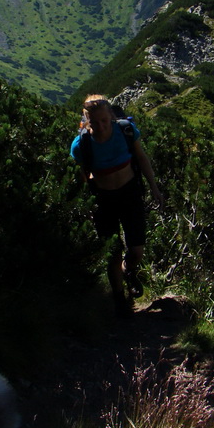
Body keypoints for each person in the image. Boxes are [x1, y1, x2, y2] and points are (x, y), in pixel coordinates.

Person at [70, 95, 164, 317]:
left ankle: (128, 270)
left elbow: (141, 158)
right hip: (103, 201)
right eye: (95, 123)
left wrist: (154, 187)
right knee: (112, 253)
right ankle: (120, 301)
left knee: (137, 251)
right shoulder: (81, 145)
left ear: (111, 117)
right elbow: (83, 176)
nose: (101, 127)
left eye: (104, 120)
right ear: (86, 122)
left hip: (130, 194)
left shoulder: (126, 131)